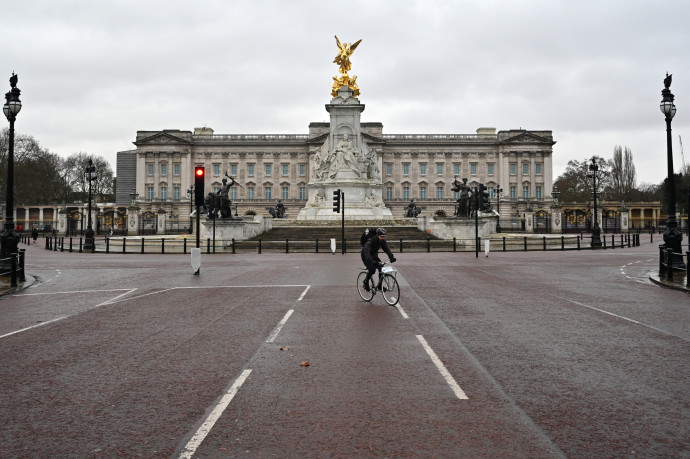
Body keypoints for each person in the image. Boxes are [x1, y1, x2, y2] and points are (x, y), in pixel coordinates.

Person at [360, 227, 396, 292]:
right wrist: (372, 261)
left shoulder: (382, 241)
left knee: (381, 268)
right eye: (381, 236)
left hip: (374, 256)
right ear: (377, 235)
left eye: (383, 237)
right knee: (372, 269)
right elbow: (366, 252)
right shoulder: (370, 241)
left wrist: (391, 257)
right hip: (366, 256)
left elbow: (386, 249)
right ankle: (366, 281)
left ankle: (379, 286)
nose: (382, 238)